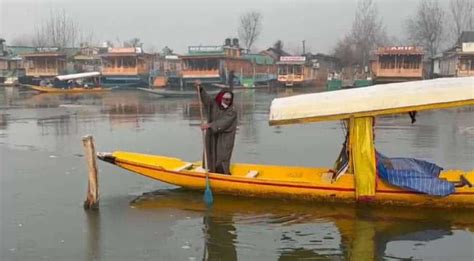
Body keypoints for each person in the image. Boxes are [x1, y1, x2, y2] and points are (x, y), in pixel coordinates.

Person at [196, 81, 237, 174]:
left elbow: (224, 122)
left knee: (222, 157)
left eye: (229, 100)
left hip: (224, 139)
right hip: (212, 136)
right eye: (225, 99)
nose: (227, 101)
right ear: (221, 97)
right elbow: (206, 99)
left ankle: (223, 175)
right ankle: (210, 173)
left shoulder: (232, 111)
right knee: (210, 154)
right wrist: (200, 89)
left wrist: (209, 125)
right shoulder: (213, 105)